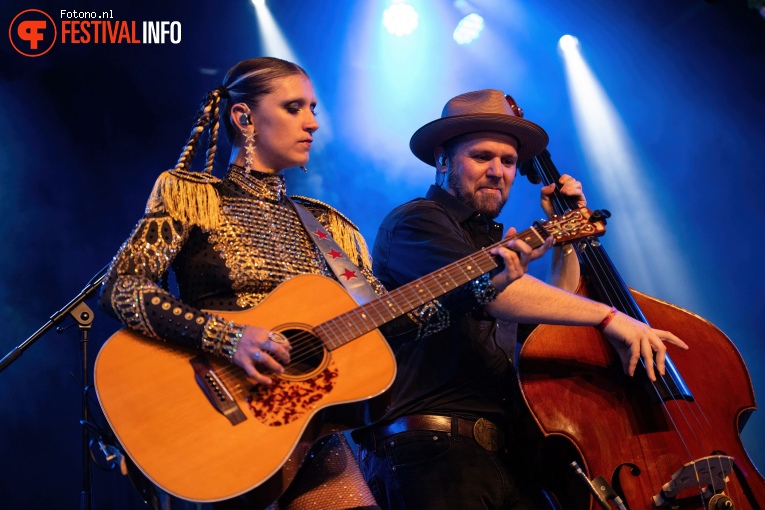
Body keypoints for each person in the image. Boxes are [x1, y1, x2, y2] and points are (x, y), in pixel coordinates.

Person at [98, 60, 542, 510]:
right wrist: (229, 338)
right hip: (216, 419)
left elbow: (387, 321)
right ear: (244, 118)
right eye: (294, 108)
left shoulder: (326, 225)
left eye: (312, 107)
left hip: (307, 427)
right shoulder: (191, 194)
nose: (312, 122)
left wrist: (482, 287)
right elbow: (121, 288)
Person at [352, 89, 689, 510]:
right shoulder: (417, 221)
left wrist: (565, 238)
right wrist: (610, 317)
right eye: (482, 157)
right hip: (432, 450)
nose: (498, 171)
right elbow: (495, 294)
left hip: (506, 454)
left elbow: (549, 322)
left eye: (509, 161)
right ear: (442, 159)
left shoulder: (496, 242)